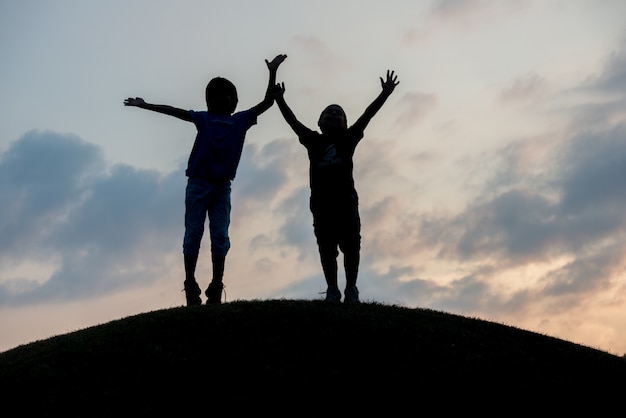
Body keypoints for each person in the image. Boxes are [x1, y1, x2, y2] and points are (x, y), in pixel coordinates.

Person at [124, 54, 287, 306]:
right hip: (198, 184)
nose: (223, 98)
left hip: (222, 186)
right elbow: (176, 112)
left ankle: (216, 284)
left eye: (227, 94)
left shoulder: (240, 120)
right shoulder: (204, 119)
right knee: (193, 233)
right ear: (210, 101)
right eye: (217, 94)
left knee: (220, 235)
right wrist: (145, 105)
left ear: (234, 101)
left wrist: (272, 72)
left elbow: (267, 102)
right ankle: (190, 283)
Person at [273, 69, 399, 303]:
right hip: (321, 204)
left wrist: (385, 94)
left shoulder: (348, 138)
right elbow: (293, 122)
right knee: (326, 247)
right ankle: (332, 288)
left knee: (351, 246)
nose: (332, 114)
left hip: (346, 202)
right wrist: (280, 99)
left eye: (338, 113)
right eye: (328, 112)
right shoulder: (313, 141)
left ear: (345, 124)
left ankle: (351, 288)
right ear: (319, 122)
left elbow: (367, 115)